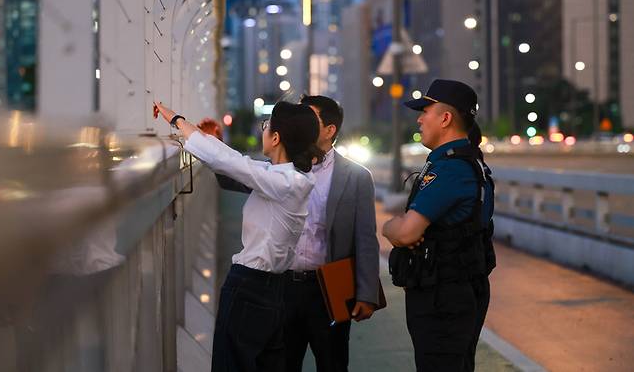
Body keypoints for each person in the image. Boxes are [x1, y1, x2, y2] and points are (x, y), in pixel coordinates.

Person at [211, 95, 380, 372]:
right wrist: (215, 142)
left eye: (308, 118)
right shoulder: (279, 168)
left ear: (329, 130)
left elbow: (365, 238)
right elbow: (232, 174)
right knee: (283, 363)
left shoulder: (356, 176)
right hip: (281, 285)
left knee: (333, 362)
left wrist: (366, 293)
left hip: (328, 288)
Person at [153, 100, 324, 372]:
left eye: (266, 126)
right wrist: (203, 136)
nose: (263, 131)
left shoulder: (282, 182)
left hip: (249, 288)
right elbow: (237, 163)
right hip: (274, 290)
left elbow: (233, 163)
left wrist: (177, 120)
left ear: (276, 137)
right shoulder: (290, 179)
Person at [382, 79, 496, 372]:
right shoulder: (468, 163)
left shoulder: (450, 169)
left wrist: (390, 227)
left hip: (443, 295)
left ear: (445, 118)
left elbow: (407, 233)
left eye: (426, 111)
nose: (419, 119)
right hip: (458, 288)